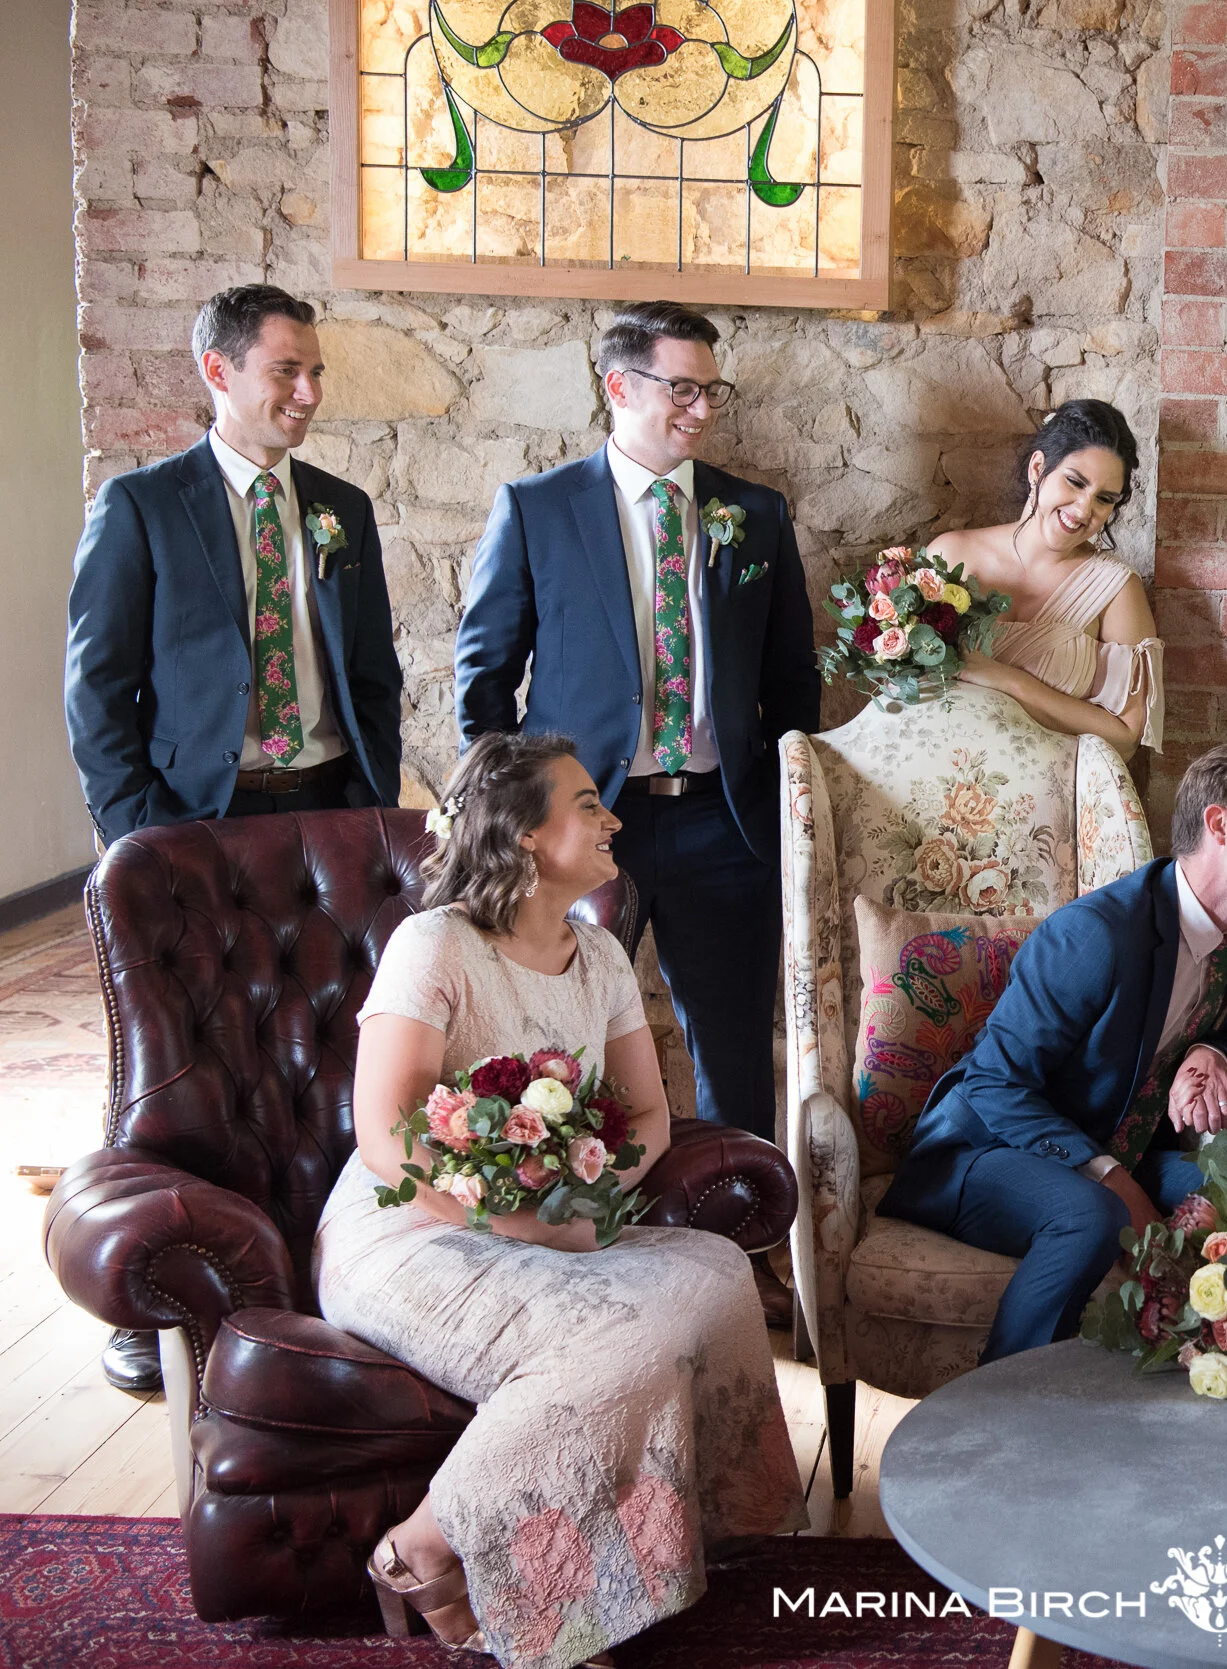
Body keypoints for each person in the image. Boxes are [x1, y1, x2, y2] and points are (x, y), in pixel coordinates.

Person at [316, 733, 804, 1669]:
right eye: (588, 804)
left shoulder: (601, 956)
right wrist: (511, 1216)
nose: (613, 816)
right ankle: (436, 1552)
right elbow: (386, 1135)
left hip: (550, 1220)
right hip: (412, 1232)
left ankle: (683, 1544)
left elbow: (648, 1115)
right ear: (527, 836)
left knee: (713, 1271)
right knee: (622, 1340)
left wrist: (591, 1193)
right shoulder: (436, 945)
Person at [65, 282, 404, 1395]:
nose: (308, 392)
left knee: (329, 1047)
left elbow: (370, 678)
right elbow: (98, 687)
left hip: (322, 818)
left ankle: (330, 1267)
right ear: (218, 372)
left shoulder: (341, 509)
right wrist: (141, 839)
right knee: (178, 1058)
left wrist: (371, 811)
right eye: (285, 372)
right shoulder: (143, 505)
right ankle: (154, 1295)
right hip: (193, 823)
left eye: (316, 374)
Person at [454, 301, 817, 1158]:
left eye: (710, 391)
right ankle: (558, 1209)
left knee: (732, 1047)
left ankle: (740, 1228)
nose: (700, 409)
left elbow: (792, 677)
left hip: (722, 821)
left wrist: (783, 800)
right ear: (618, 385)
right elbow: (485, 677)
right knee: (552, 1030)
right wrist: (516, 812)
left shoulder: (754, 515)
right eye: (681, 389)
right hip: (578, 824)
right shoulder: (536, 508)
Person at [878, 741, 1227, 1361]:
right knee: (1093, 1216)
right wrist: (1111, 1179)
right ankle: (1010, 1419)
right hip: (983, 1149)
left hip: (1118, 1139)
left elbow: (1217, 1024)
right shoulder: (1097, 935)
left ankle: (1208, 1389)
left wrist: (1211, 1054)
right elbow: (993, 1084)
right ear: (1219, 825)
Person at [924, 399, 1163, 757]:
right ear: (1038, 469)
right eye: (1075, 482)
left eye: (1104, 499)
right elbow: (906, 686)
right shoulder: (950, 555)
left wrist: (1011, 682)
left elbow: (1127, 738)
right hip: (937, 779)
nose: (1084, 510)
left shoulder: (1117, 590)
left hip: (1048, 797)